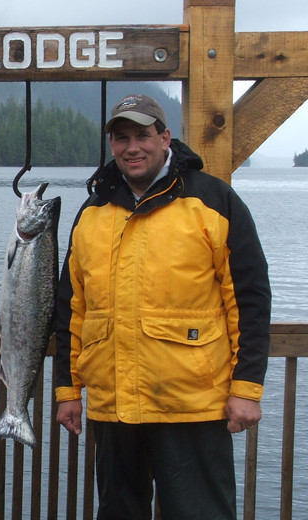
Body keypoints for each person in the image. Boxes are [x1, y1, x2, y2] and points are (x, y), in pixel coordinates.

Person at [54, 93, 271, 520]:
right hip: (113, 406)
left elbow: (248, 298)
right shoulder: (92, 211)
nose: (132, 147)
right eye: (121, 139)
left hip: (192, 405)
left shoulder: (214, 201)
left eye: (142, 135)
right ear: (111, 146)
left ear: (165, 138)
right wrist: (67, 390)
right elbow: (72, 310)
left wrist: (246, 388)